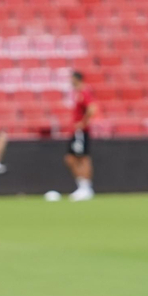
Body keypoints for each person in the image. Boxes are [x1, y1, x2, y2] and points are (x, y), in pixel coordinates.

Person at [64, 69, 97, 201]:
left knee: (82, 158)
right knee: (71, 159)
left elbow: (92, 108)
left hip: (80, 131)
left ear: (77, 79)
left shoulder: (84, 92)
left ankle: (86, 188)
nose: (70, 81)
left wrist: (82, 123)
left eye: (71, 78)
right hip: (75, 131)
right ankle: (82, 186)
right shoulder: (77, 93)